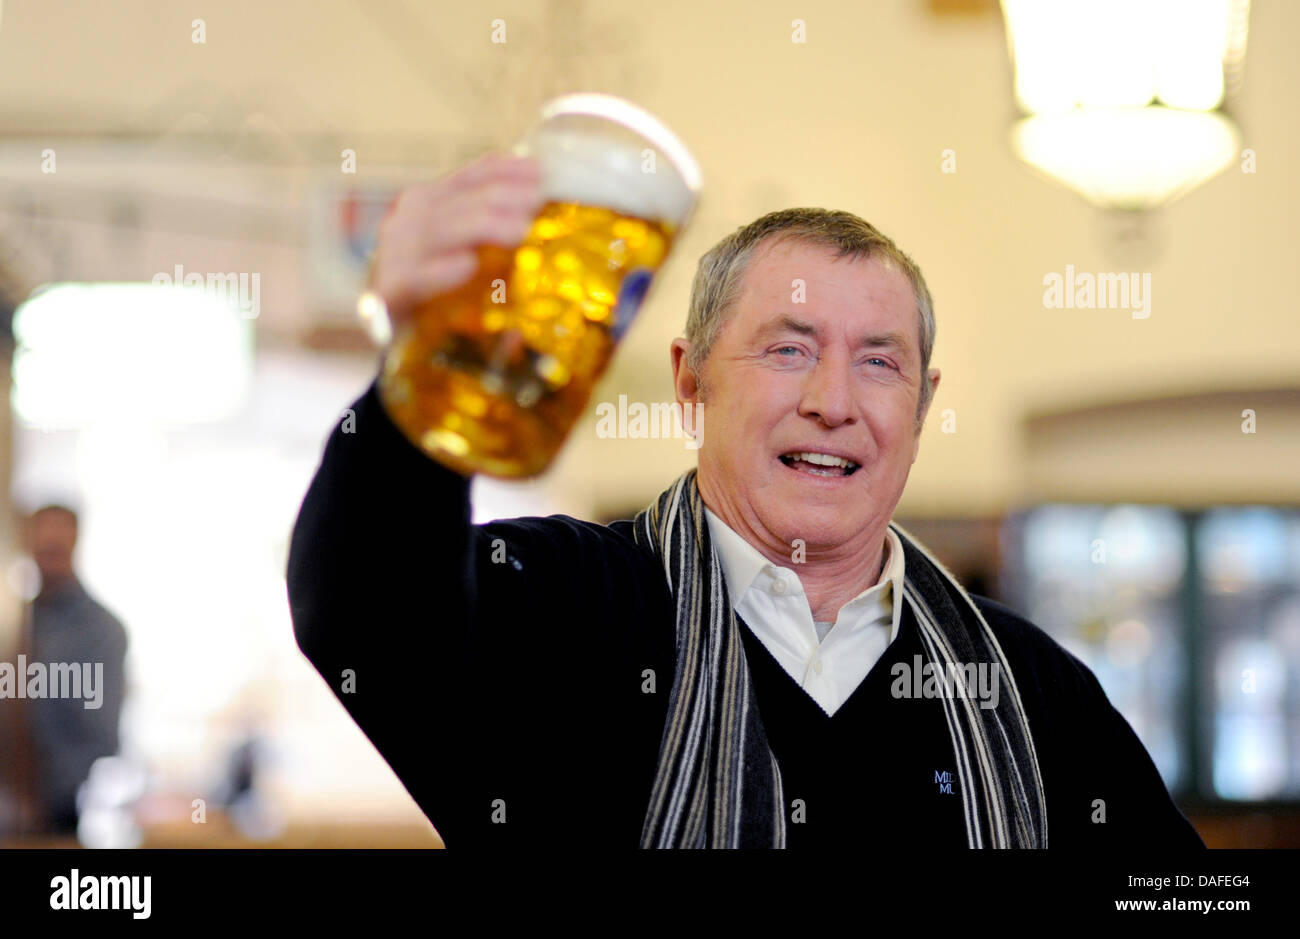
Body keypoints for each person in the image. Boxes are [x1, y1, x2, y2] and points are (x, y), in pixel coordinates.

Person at [286, 152, 1205, 849]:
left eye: (879, 362)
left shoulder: (1027, 689)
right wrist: (423, 374)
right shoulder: (567, 608)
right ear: (691, 383)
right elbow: (365, 609)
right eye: (789, 348)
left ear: (921, 406)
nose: (833, 402)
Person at [21, 504, 129, 836]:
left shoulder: (99, 629)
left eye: (58, 542)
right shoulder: (17, 623)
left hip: (56, 813)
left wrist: (41, 791)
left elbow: (101, 737)